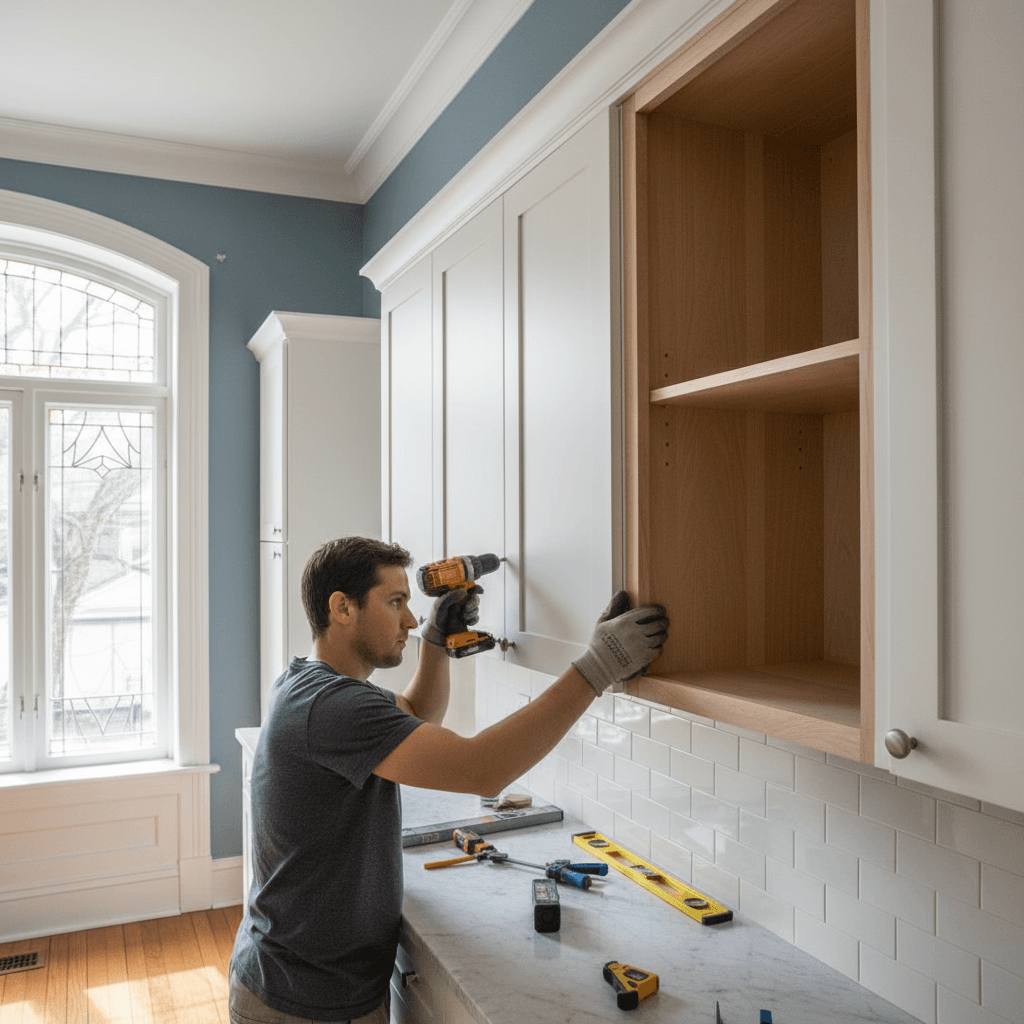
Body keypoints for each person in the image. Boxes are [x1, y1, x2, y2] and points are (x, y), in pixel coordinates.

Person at [229, 536, 668, 1024]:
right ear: (342, 608)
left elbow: (415, 713)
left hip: (311, 983)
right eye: (395, 602)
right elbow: (483, 768)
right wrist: (599, 665)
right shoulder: (333, 705)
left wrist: (436, 643)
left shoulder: (311, 682)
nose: (410, 620)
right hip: (302, 1002)